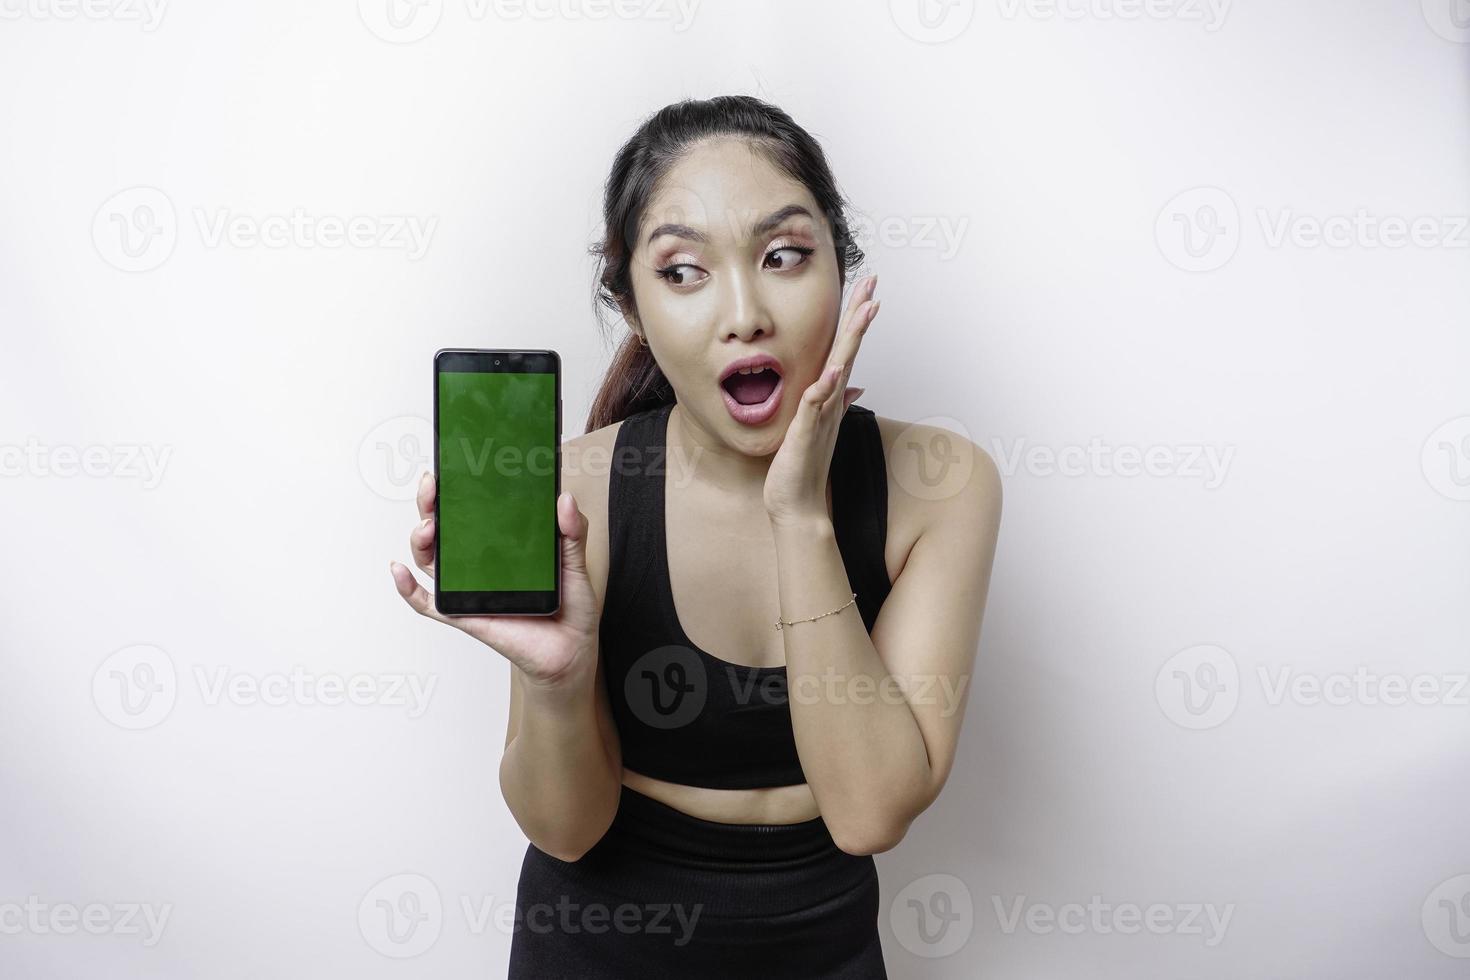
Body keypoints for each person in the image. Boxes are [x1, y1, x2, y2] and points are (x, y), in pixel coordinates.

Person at [388, 94, 1002, 979]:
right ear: (632, 306)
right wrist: (557, 681)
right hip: (593, 947)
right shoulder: (575, 492)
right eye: (683, 272)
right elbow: (565, 828)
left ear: (842, 267)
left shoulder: (942, 485)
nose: (744, 311)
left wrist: (800, 514)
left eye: (784, 255)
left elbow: (871, 815)